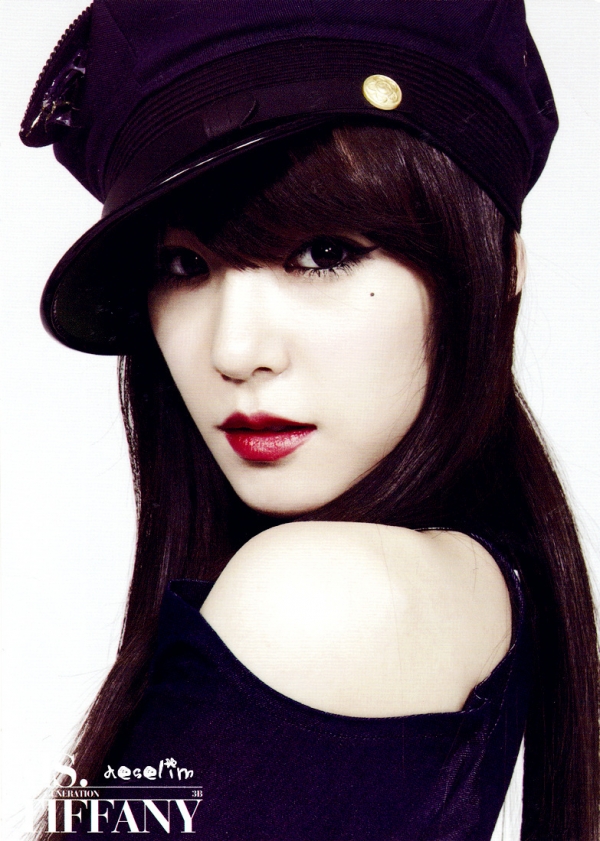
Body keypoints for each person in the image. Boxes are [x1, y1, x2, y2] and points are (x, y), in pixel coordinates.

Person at [19, 1, 599, 839]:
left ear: (497, 267)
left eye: (324, 253)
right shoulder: (479, 586)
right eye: (183, 264)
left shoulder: (322, 597)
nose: (234, 350)